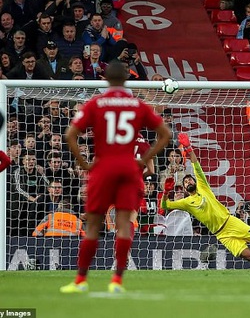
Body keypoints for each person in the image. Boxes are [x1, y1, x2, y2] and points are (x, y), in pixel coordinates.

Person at [60, 61, 172, 294]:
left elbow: (70, 134)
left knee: (92, 226)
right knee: (123, 225)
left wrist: (84, 164)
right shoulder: (137, 105)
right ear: (126, 80)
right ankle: (117, 281)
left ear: (107, 81)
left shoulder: (96, 103)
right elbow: (165, 134)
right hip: (129, 168)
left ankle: (81, 280)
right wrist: (143, 160)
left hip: (103, 167)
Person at [162, 133, 250, 269]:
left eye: (189, 179)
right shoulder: (186, 202)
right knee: (248, 255)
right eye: (186, 182)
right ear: (186, 189)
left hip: (230, 222)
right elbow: (165, 205)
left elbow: (196, 166)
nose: (188, 181)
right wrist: (166, 192)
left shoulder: (203, 187)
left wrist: (188, 148)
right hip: (221, 234)